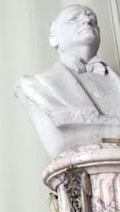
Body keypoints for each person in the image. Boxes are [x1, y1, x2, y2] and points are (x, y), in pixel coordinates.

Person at [15, 5, 120, 158]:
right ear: (53, 38)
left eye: (93, 19)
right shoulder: (34, 86)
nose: (87, 20)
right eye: (74, 19)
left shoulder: (115, 79)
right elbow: (62, 140)